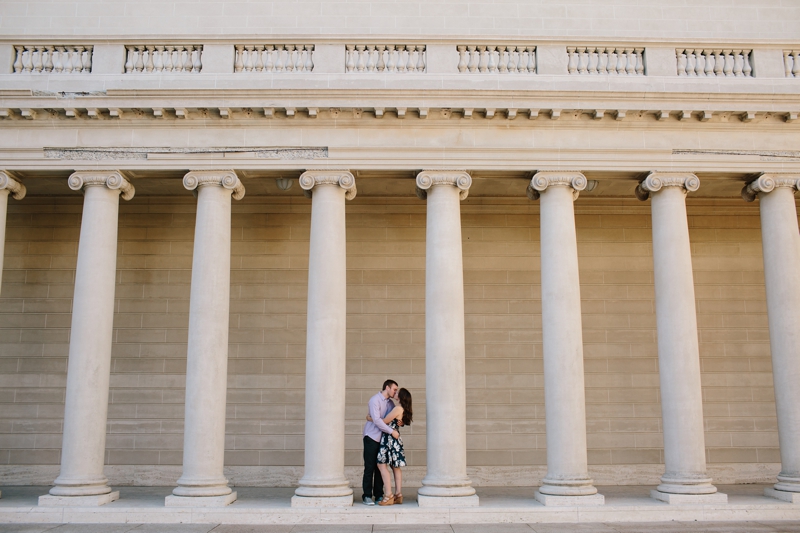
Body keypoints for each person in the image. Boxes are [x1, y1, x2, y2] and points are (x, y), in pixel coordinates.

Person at [370, 388, 413, 506]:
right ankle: (398, 494)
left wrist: (370, 418)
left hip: (389, 439)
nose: (395, 393)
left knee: (381, 464)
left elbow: (384, 421)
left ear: (401, 396)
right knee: (395, 467)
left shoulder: (397, 408)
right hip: (394, 439)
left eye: (398, 392)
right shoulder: (401, 409)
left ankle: (388, 495)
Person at [362, 379, 399, 506]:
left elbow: (391, 418)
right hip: (371, 437)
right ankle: (367, 496)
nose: (395, 392)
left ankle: (378, 495)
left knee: (381, 467)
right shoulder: (375, 400)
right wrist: (391, 431)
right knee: (369, 467)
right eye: (394, 389)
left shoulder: (391, 404)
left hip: (383, 439)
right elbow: (377, 421)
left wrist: (400, 421)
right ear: (387, 388)